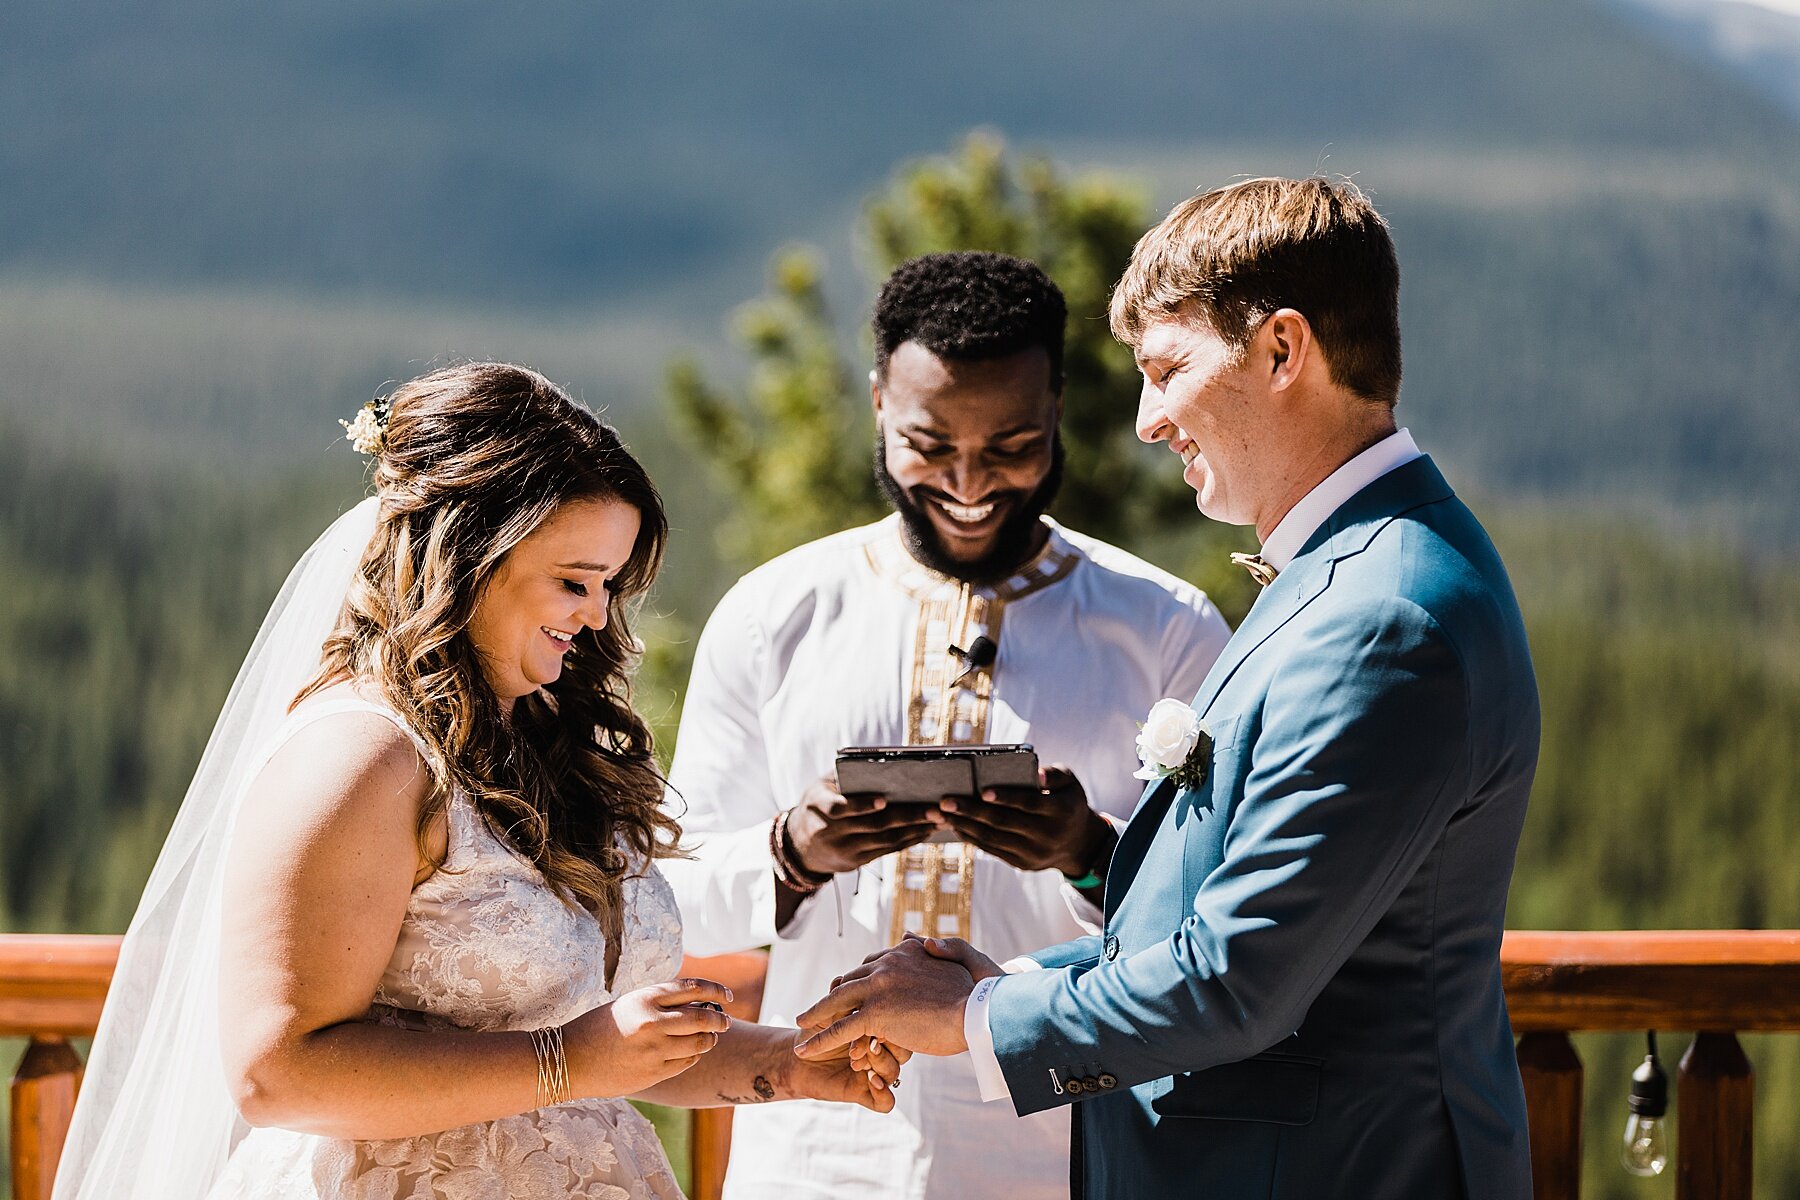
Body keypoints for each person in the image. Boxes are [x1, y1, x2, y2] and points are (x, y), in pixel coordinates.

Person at [796, 178, 1539, 1200]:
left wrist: (975, 1022)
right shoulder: (1345, 574)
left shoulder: (1383, 616)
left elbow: (1240, 979)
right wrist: (1011, 984)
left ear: (1284, 350)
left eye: (1167, 369)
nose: (1147, 420)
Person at [53, 362, 903, 1200]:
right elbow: (276, 1073)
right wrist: (570, 1062)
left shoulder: (548, 735)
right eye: (574, 581)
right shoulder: (363, 757)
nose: (599, 617)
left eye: (609, 584)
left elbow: (606, 1043)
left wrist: (787, 1064)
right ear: (465, 558)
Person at [661, 252, 1232, 1199]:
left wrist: (1088, 852)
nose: (969, 485)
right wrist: (790, 853)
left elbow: (1216, 928)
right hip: (820, 1153)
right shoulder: (774, 614)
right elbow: (671, 902)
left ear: (1057, 410)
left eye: (1009, 448)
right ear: (880, 401)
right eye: (930, 445)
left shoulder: (1165, 629)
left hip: (1067, 1148)